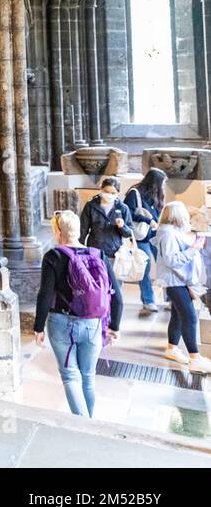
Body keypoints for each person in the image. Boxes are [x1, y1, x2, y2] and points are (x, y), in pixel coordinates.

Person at [34, 209, 120, 417]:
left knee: (71, 376)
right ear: (78, 230)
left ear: (57, 230)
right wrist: (115, 326)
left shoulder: (54, 256)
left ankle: (83, 428)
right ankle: (88, 425)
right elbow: (117, 296)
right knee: (88, 377)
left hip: (61, 323)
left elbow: (45, 294)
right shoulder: (98, 254)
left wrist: (38, 327)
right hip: (93, 323)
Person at [153, 201, 211, 372]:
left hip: (176, 280)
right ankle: (194, 357)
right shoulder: (168, 234)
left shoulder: (169, 232)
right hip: (174, 281)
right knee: (190, 317)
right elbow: (172, 260)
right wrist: (194, 249)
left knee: (178, 315)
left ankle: (172, 348)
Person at [81, 175, 133, 324]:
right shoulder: (91, 206)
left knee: (115, 288)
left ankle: (112, 320)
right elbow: (83, 229)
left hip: (114, 253)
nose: (109, 195)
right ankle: (97, 315)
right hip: (94, 252)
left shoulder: (122, 208)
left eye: (112, 192)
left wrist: (122, 226)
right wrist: (79, 251)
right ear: (101, 190)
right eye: (106, 191)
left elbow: (129, 233)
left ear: (117, 194)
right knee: (96, 287)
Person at [124, 167, 167, 316]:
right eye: (162, 183)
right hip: (141, 235)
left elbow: (159, 213)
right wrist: (147, 220)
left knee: (164, 264)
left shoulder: (156, 195)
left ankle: (169, 298)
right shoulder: (134, 193)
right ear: (154, 183)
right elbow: (127, 213)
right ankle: (148, 300)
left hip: (155, 234)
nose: (163, 187)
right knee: (145, 268)